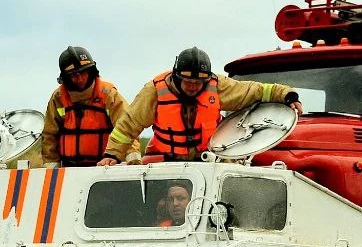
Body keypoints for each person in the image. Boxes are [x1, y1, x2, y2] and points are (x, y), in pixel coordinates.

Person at [96, 47, 302, 165]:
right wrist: (111, 155)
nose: (194, 86)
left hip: (211, 161)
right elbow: (128, 125)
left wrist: (286, 95)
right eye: (188, 82)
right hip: (168, 162)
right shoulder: (154, 91)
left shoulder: (217, 86)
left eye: (199, 82)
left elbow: (254, 91)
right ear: (176, 77)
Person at [41, 45, 138, 167]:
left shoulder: (108, 94)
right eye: (74, 75)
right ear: (66, 77)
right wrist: (52, 170)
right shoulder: (58, 98)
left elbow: (126, 127)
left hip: (105, 169)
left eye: (83, 72)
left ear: (91, 71)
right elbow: (50, 135)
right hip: (68, 171)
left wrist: (133, 161)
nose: (80, 78)